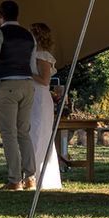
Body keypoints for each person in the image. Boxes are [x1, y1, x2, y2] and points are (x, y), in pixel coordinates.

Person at [0, 0, 37, 191]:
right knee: (24, 132)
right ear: (18, 14)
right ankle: (30, 178)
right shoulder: (29, 36)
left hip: (6, 84)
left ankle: (14, 179)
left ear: (0, 15)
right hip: (27, 83)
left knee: (9, 134)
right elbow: (32, 64)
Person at [27, 22, 62, 190]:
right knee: (31, 134)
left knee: (38, 134)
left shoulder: (42, 55)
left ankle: (35, 176)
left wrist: (25, 72)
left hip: (39, 98)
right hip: (31, 96)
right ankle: (31, 175)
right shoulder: (31, 54)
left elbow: (45, 80)